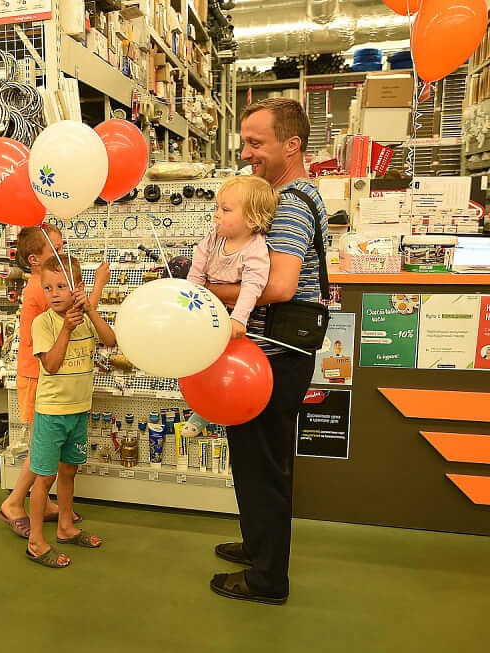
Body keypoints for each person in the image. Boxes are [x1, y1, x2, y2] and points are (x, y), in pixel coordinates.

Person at [203, 98, 328, 605]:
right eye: (245, 142)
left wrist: (208, 291)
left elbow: (278, 287)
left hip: (275, 357)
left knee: (265, 466)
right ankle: (258, 546)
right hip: (263, 356)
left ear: (291, 145)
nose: (245, 153)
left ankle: (268, 578)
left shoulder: (291, 204)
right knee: (253, 459)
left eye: (256, 143)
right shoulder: (276, 197)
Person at [0, 226, 109, 537]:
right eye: (55, 250)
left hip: (48, 377)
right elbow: (74, 317)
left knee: (48, 452)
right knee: (42, 451)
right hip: (41, 375)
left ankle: (43, 504)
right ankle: (14, 503)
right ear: (35, 260)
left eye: (62, 248)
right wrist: (98, 286)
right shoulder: (42, 289)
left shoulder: (42, 283)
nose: (61, 255)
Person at [26, 254, 116, 567]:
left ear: (76, 287)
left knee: (69, 471)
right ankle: (35, 541)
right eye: (48, 287)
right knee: (44, 478)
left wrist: (90, 308)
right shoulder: (43, 323)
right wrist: (65, 329)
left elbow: (110, 340)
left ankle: (65, 526)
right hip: (51, 413)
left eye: (61, 286)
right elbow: (51, 365)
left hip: (79, 410)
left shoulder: (86, 316)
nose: (54, 293)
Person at [181, 175, 278, 438]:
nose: (216, 215)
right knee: (199, 357)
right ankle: (201, 403)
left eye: (225, 210)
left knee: (223, 362)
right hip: (207, 306)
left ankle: (206, 410)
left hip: (235, 315)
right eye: (217, 208)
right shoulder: (214, 237)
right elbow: (197, 270)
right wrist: (189, 303)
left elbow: (252, 287)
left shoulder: (255, 248)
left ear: (252, 220)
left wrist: (239, 318)